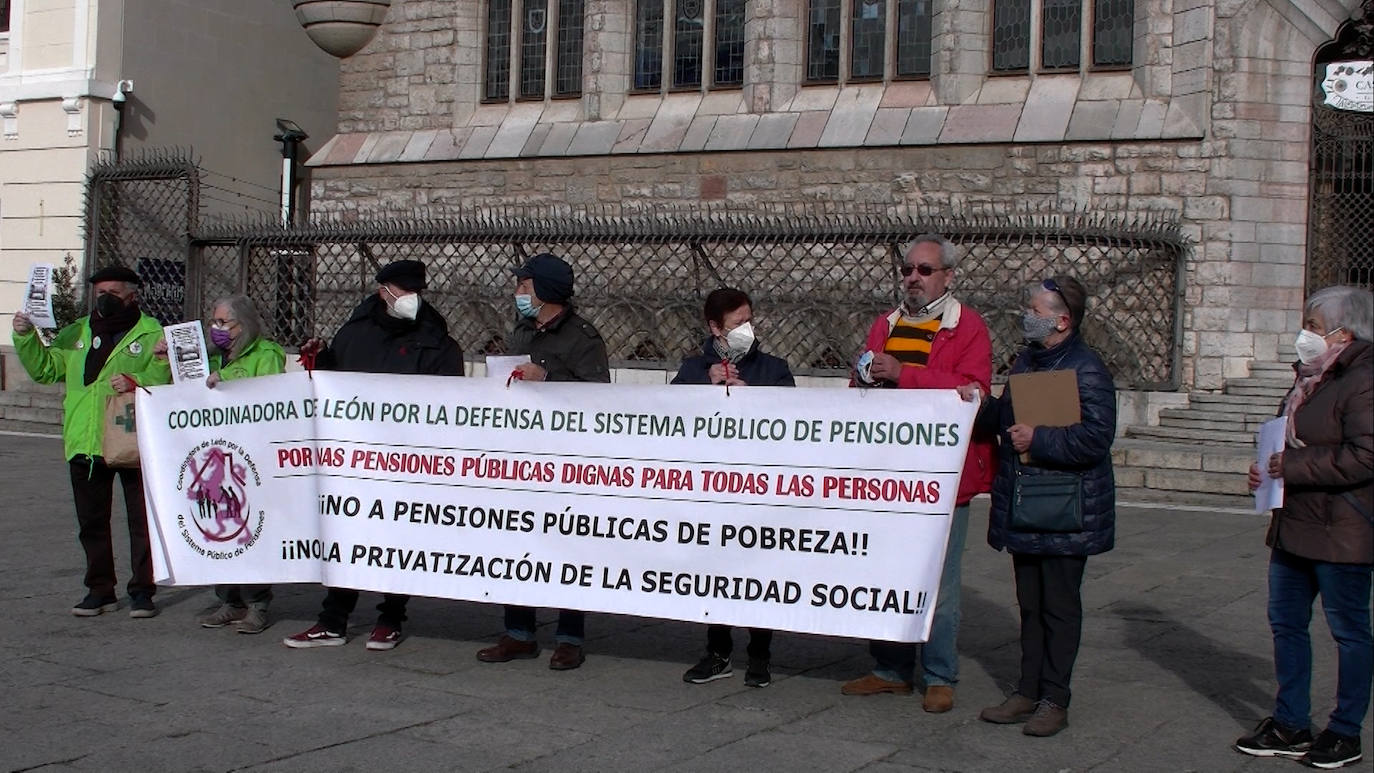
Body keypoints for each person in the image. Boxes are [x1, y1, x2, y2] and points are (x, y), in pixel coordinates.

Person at [839, 234, 996, 713]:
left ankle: (939, 673)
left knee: (940, 583)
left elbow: (974, 390)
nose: (912, 278)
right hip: (889, 474)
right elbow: (859, 385)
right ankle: (890, 668)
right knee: (885, 574)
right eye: (908, 269)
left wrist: (901, 373)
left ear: (948, 276)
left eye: (924, 270)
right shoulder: (883, 325)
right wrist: (865, 375)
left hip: (944, 480)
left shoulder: (968, 327)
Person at [283, 259, 463, 651]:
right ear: (383, 291)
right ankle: (333, 619)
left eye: (415, 290)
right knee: (348, 535)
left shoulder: (435, 337)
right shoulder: (355, 333)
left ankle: (391, 617)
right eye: (401, 290)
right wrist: (320, 360)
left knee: (398, 538)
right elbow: (335, 384)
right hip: (355, 458)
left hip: (408, 459)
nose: (410, 298)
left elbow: (450, 399)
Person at [965, 276, 1116, 738]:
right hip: (1027, 501)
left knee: (1060, 606)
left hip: (1067, 508)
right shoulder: (1027, 360)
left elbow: (1096, 437)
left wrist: (1041, 439)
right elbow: (1009, 418)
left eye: (1033, 308)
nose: (1025, 315)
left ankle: (1055, 697)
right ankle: (1027, 689)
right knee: (1030, 605)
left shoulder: (1087, 368)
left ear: (1062, 319)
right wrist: (980, 405)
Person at [1234, 286, 1372, 770]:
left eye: (1313, 326)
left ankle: (1345, 730)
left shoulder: (1364, 379)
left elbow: (1365, 455)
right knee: (1286, 623)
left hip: (1342, 527)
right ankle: (1290, 720)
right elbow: (1285, 444)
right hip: (1294, 523)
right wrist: (1265, 470)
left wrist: (1290, 466)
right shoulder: (1309, 378)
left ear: (1344, 333)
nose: (1304, 335)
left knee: (1349, 630)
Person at [10, 264, 172, 618]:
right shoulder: (78, 331)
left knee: (140, 521)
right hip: (85, 441)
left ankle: (143, 590)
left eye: (112, 292)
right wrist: (25, 337)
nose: (104, 299)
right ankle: (100, 590)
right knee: (91, 522)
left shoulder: (150, 332)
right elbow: (46, 369)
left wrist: (137, 377)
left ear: (133, 294)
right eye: (99, 292)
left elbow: (167, 377)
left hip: (132, 441)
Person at [476, 252, 610, 671]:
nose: (517, 293)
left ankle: (569, 636)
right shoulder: (521, 331)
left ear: (547, 291)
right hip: (522, 455)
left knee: (568, 546)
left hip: (566, 461)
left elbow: (599, 397)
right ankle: (518, 632)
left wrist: (548, 379)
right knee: (517, 542)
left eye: (524, 286)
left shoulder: (583, 337)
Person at [673, 288, 795, 688]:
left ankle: (760, 653)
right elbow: (663, 412)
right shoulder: (693, 368)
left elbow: (794, 422)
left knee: (760, 571)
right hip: (711, 493)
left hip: (759, 492)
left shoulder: (773, 369)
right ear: (714, 328)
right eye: (737, 323)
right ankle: (718, 651)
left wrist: (755, 402)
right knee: (715, 573)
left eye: (748, 320)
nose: (747, 329)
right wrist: (701, 385)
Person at [187, 295, 285, 635]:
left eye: (225, 323)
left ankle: (258, 602)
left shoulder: (265, 355)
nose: (218, 329)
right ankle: (229, 600)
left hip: (251, 459)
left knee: (249, 530)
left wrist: (229, 388)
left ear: (244, 324)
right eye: (214, 322)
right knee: (217, 527)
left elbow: (269, 399)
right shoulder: (211, 357)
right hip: (213, 456)